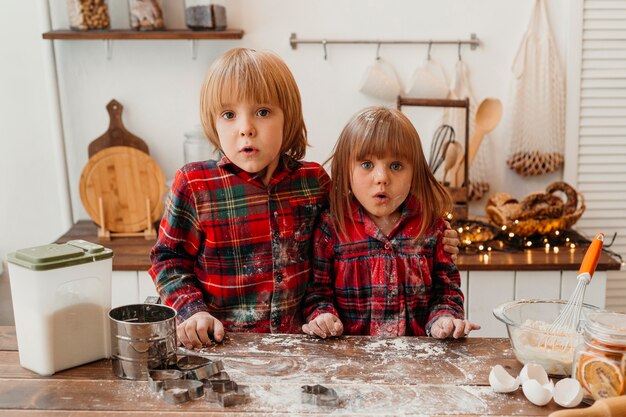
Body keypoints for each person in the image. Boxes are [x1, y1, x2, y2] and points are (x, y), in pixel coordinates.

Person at [150, 48, 461, 350]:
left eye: (262, 112)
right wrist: (192, 310)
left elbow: (368, 221)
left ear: (289, 117)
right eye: (229, 115)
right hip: (222, 346)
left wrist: (434, 235)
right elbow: (168, 259)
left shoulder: (312, 183)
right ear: (212, 121)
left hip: (300, 347)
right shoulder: (194, 184)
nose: (246, 128)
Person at [302, 106, 480, 339]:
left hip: (417, 363)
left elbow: (446, 292)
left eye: (396, 166)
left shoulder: (431, 226)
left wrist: (443, 319)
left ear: (414, 172)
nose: (382, 178)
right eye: (366, 165)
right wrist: (323, 315)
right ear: (347, 170)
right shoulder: (332, 227)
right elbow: (317, 293)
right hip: (350, 362)